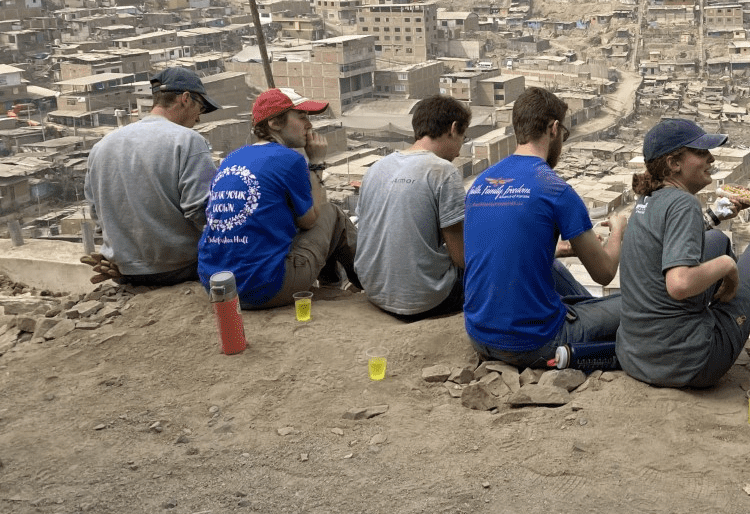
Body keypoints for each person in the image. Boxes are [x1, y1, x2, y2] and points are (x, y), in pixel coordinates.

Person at [616, 118, 750, 389]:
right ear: (674, 163)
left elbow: (670, 238)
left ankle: (712, 309)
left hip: (636, 356)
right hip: (691, 362)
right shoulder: (684, 203)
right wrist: (728, 266)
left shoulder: (648, 199)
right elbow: (679, 284)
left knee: (715, 239)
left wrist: (715, 216)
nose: (711, 159)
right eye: (701, 153)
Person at [463, 87, 626, 368]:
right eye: (564, 134)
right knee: (644, 300)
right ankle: (590, 337)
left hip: (480, 336)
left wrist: (556, 251)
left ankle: (590, 318)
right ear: (553, 129)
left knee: (556, 267)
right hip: (534, 343)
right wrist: (618, 230)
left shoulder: (481, 183)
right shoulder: (554, 188)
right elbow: (604, 273)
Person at [197, 87, 358, 310]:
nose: (309, 125)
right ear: (274, 124)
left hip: (217, 286)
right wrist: (317, 163)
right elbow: (310, 220)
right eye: (301, 117)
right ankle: (368, 284)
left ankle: (331, 286)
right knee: (331, 213)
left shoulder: (232, 158)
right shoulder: (289, 159)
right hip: (263, 288)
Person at [84, 67, 219, 286]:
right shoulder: (188, 141)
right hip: (181, 266)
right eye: (200, 108)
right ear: (185, 99)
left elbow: (97, 214)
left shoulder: (101, 147)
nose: (198, 119)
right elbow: (203, 211)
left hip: (126, 268)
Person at [356, 95, 471, 320]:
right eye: (462, 139)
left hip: (375, 291)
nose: (458, 152)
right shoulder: (443, 172)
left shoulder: (376, 168)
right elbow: (462, 258)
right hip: (426, 300)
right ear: (453, 128)